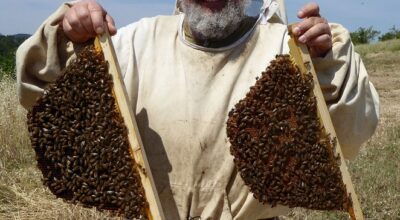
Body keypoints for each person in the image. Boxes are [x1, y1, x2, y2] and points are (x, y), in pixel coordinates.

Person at [16, 0, 379, 219]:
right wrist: (68, 37)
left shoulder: (291, 49)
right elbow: (44, 98)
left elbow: (349, 133)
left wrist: (325, 63)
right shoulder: (133, 44)